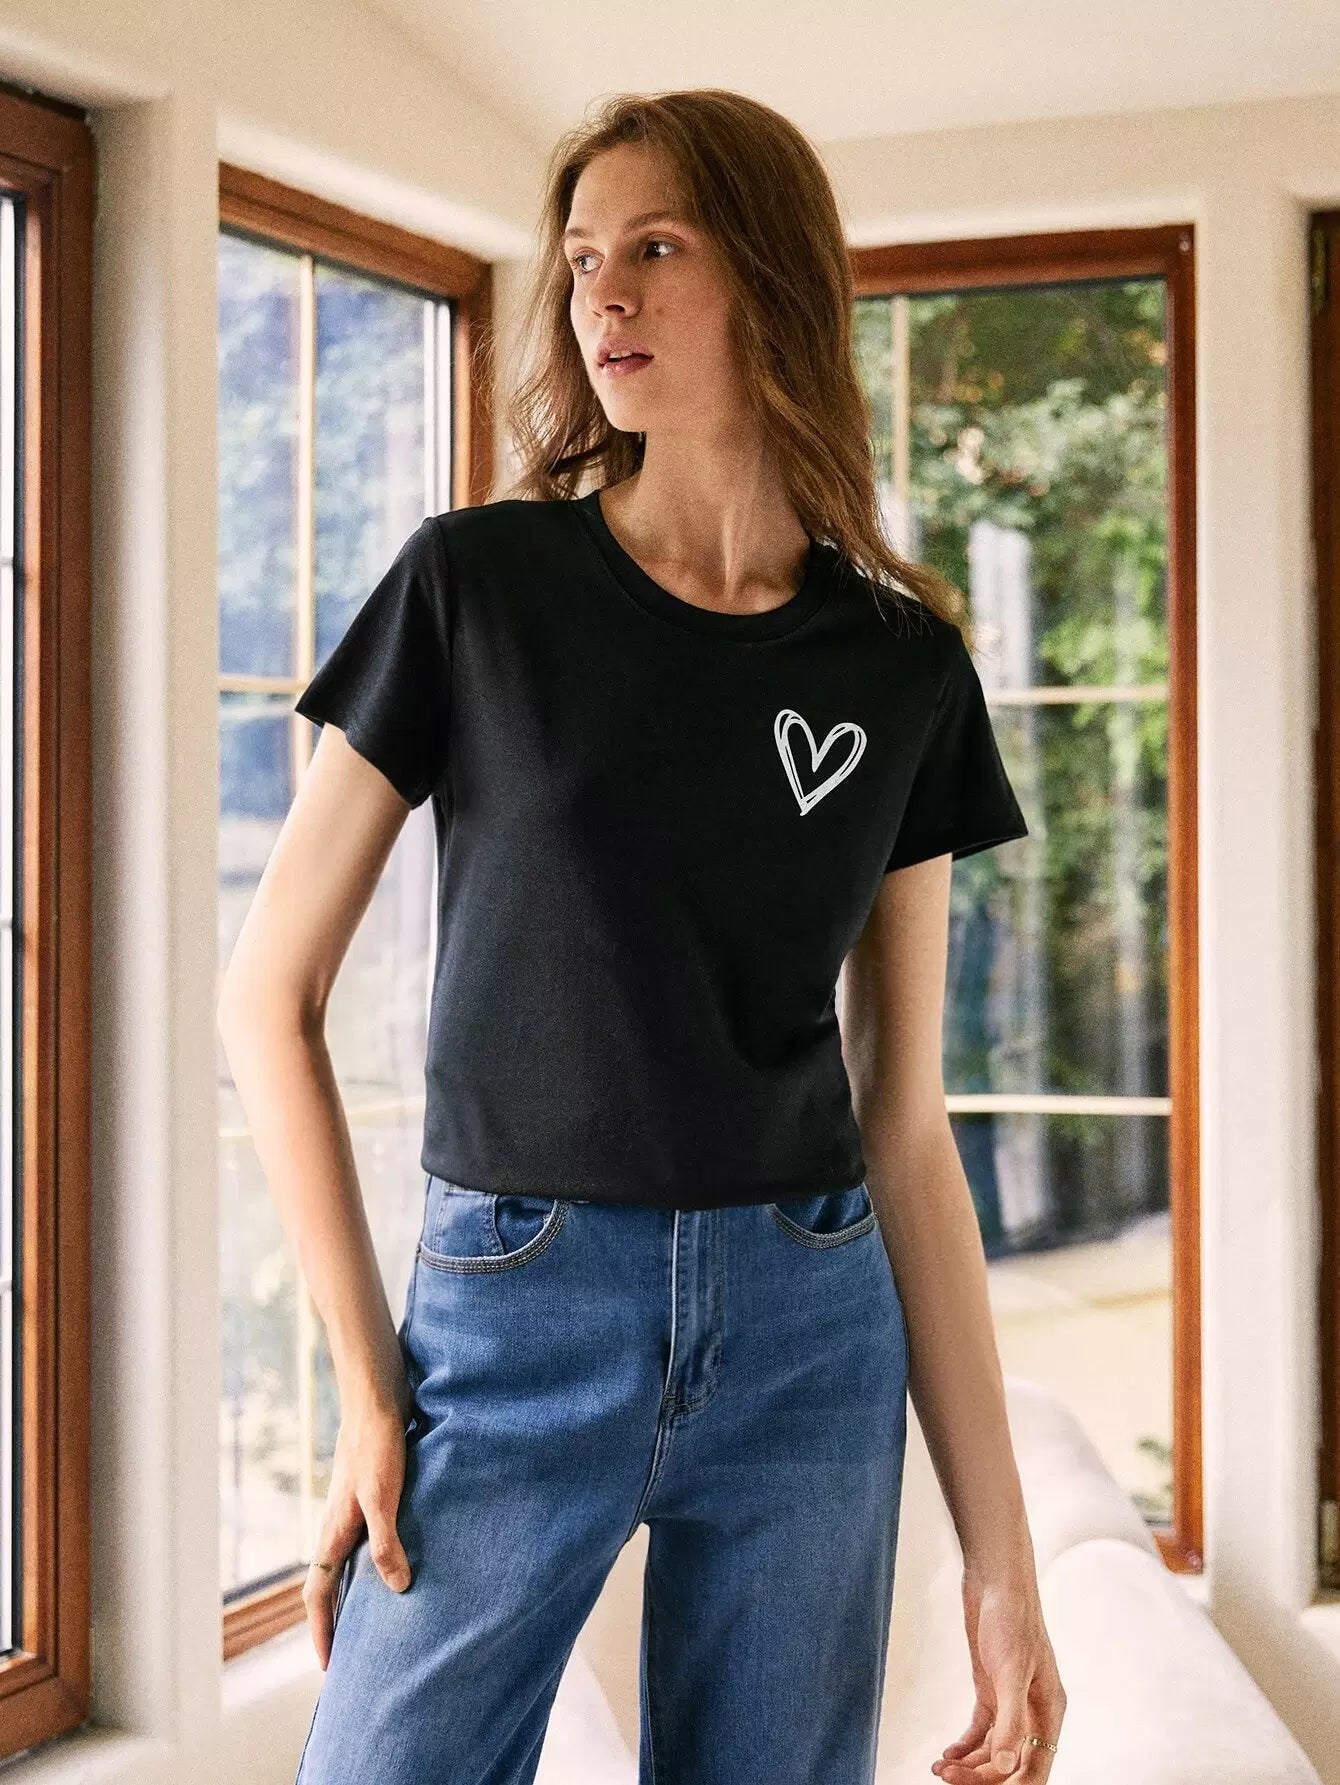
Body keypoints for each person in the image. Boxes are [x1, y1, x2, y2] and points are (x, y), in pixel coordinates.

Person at [217, 86, 1065, 1785]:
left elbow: (904, 1122)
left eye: (657, 247)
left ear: (771, 279)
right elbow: (267, 994)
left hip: (810, 1322)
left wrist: (1001, 1559)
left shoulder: (901, 667)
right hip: (516, 1312)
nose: (602, 290)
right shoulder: (476, 588)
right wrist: (372, 1387)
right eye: (585, 255)